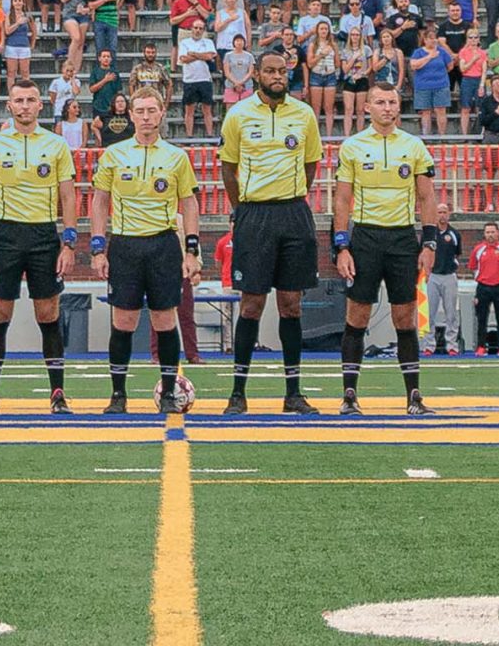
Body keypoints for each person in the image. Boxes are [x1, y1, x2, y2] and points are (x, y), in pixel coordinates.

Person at [219, 48, 325, 414]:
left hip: (294, 213)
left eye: (282, 70)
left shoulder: (305, 114)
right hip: (254, 215)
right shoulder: (238, 115)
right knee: (251, 304)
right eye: (269, 70)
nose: (277, 76)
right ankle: (237, 392)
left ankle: (293, 393)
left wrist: (291, 195)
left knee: (291, 305)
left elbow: (311, 164)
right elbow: (228, 169)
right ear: (256, 74)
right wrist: (243, 208)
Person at [0, 79, 79, 414]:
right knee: (0, 315)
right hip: (6, 236)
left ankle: (57, 393)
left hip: (44, 236)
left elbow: (68, 195)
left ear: (40, 105)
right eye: (19, 100)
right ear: (10, 105)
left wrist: (69, 241)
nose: (25, 106)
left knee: (47, 314)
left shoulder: (57, 144)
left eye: (31, 100)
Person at [331, 81, 440, 417]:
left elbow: (426, 197)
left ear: (398, 105)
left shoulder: (414, 145)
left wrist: (430, 241)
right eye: (380, 102)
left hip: (403, 239)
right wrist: (341, 246)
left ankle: (414, 396)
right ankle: (349, 395)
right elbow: (342, 199)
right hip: (364, 238)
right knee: (357, 315)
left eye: (392, 102)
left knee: (404, 316)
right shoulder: (351, 146)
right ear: (367, 107)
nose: (387, 108)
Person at [91, 86, 200, 414]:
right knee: (123, 320)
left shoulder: (176, 157)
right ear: (131, 114)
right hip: (125, 244)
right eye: (140, 111)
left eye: (152, 110)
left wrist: (191, 249)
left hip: (163, 244)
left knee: (165, 320)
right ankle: (118, 395)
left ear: (162, 112)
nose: (146, 117)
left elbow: (190, 202)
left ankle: (168, 393)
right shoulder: (113, 154)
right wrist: (98, 247)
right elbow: (99, 201)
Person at [469, 222, 499, 355]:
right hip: (483, 288)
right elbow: (473, 267)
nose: (490, 235)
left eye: (492, 232)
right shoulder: (478, 250)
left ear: (498, 233)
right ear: (484, 234)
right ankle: (481, 346)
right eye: (488, 232)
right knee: (481, 318)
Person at [425, 204, 463, 356]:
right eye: (439, 212)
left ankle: (452, 345)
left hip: (449, 276)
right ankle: (429, 345)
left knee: (451, 314)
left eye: (444, 212)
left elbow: (457, 254)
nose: (441, 215)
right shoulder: (430, 234)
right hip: (432, 276)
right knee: (429, 314)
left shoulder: (454, 234)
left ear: (449, 214)